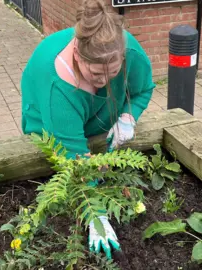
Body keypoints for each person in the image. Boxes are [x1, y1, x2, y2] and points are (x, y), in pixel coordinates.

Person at [20, 0, 156, 260]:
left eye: (113, 72)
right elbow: (74, 160)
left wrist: (129, 116)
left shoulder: (130, 52)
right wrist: (97, 214)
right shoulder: (56, 87)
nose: (105, 81)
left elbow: (143, 90)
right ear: (78, 55)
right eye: (95, 75)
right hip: (51, 125)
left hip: (98, 119)